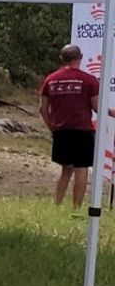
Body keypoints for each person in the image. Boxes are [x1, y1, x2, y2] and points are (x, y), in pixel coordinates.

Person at [40, 44, 99, 209]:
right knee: (81, 169)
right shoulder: (89, 80)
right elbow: (96, 107)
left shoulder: (51, 79)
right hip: (83, 130)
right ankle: (76, 209)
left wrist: (52, 128)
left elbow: (43, 108)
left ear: (61, 59)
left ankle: (57, 204)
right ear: (80, 58)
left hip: (61, 130)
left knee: (66, 169)